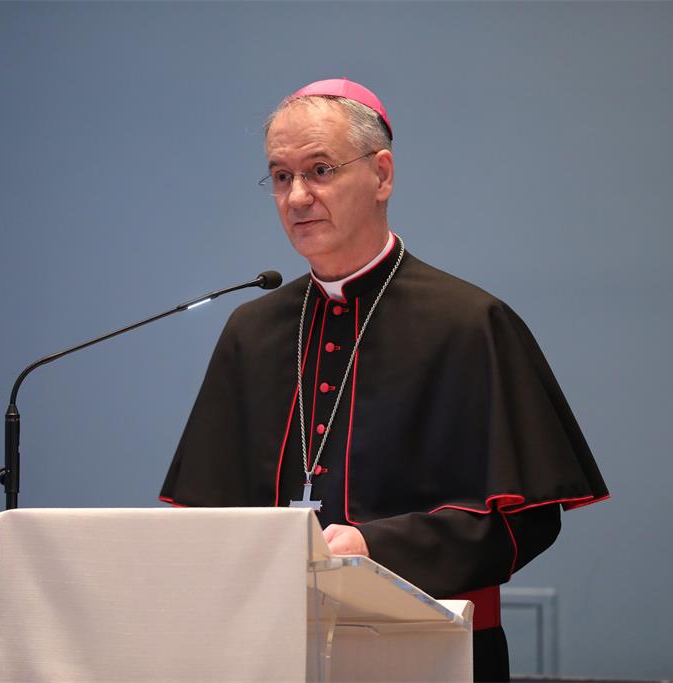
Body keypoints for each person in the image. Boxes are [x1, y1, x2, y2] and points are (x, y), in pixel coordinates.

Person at [160, 78, 608, 682]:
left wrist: (374, 549)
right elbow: (204, 520)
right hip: (271, 653)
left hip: (431, 650)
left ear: (382, 175)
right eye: (281, 176)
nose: (297, 196)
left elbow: (526, 519)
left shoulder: (470, 322)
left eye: (320, 170)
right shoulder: (252, 329)